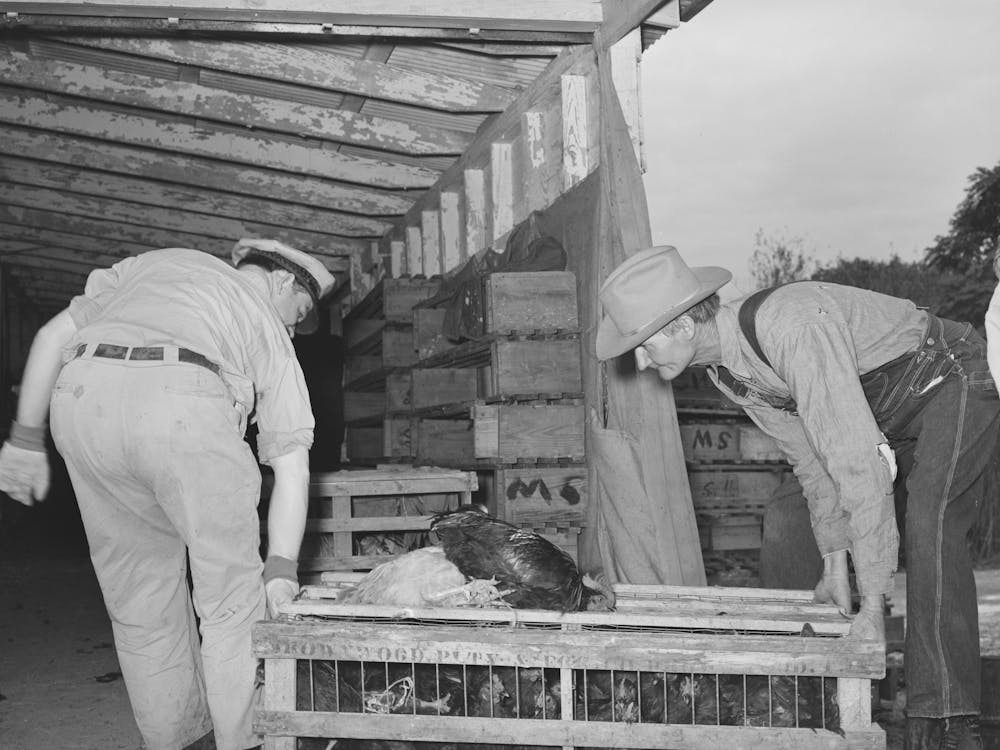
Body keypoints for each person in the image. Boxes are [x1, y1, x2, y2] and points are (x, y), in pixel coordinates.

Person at [595, 245, 1000, 750]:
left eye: (642, 343)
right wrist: (834, 563)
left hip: (949, 379)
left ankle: (945, 719)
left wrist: (873, 607)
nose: (639, 359)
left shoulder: (792, 328)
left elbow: (855, 459)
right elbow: (812, 460)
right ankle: (798, 698)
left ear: (679, 326)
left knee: (929, 520)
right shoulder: (728, 371)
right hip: (886, 412)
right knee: (787, 515)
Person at [0, 238, 335, 750]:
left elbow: (51, 336)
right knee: (229, 602)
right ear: (282, 281)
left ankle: (179, 741)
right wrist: (282, 568)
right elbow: (291, 463)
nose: (292, 327)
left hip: (84, 397)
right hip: (185, 402)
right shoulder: (265, 323)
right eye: (299, 312)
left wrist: (24, 439)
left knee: (140, 600)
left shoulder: (153, 266)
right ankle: (241, 743)